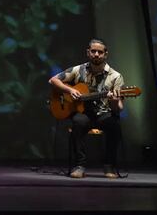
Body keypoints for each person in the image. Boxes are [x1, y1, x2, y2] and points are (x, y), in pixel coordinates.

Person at [49, 38, 124, 179]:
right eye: (93, 51)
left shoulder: (115, 76)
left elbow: (118, 108)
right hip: (84, 113)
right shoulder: (78, 70)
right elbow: (53, 80)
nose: (96, 54)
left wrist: (114, 101)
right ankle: (80, 166)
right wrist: (70, 90)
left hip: (104, 113)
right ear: (88, 53)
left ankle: (109, 165)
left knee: (114, 126)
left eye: (100, 52)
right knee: (78, 122)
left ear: (105, 54)